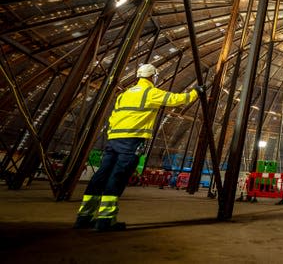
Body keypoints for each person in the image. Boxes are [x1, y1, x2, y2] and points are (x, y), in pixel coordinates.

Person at [73, 63, 205, 231]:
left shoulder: (124, 94)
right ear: (152, 77)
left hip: (113, 139)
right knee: (117, 177)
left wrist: (113, 135)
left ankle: (84, 217)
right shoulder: (150, 92)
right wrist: (196, 92)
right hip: (131, 141)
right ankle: (106, 220)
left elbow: (113, 117)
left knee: (101, 175)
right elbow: (176, 100)